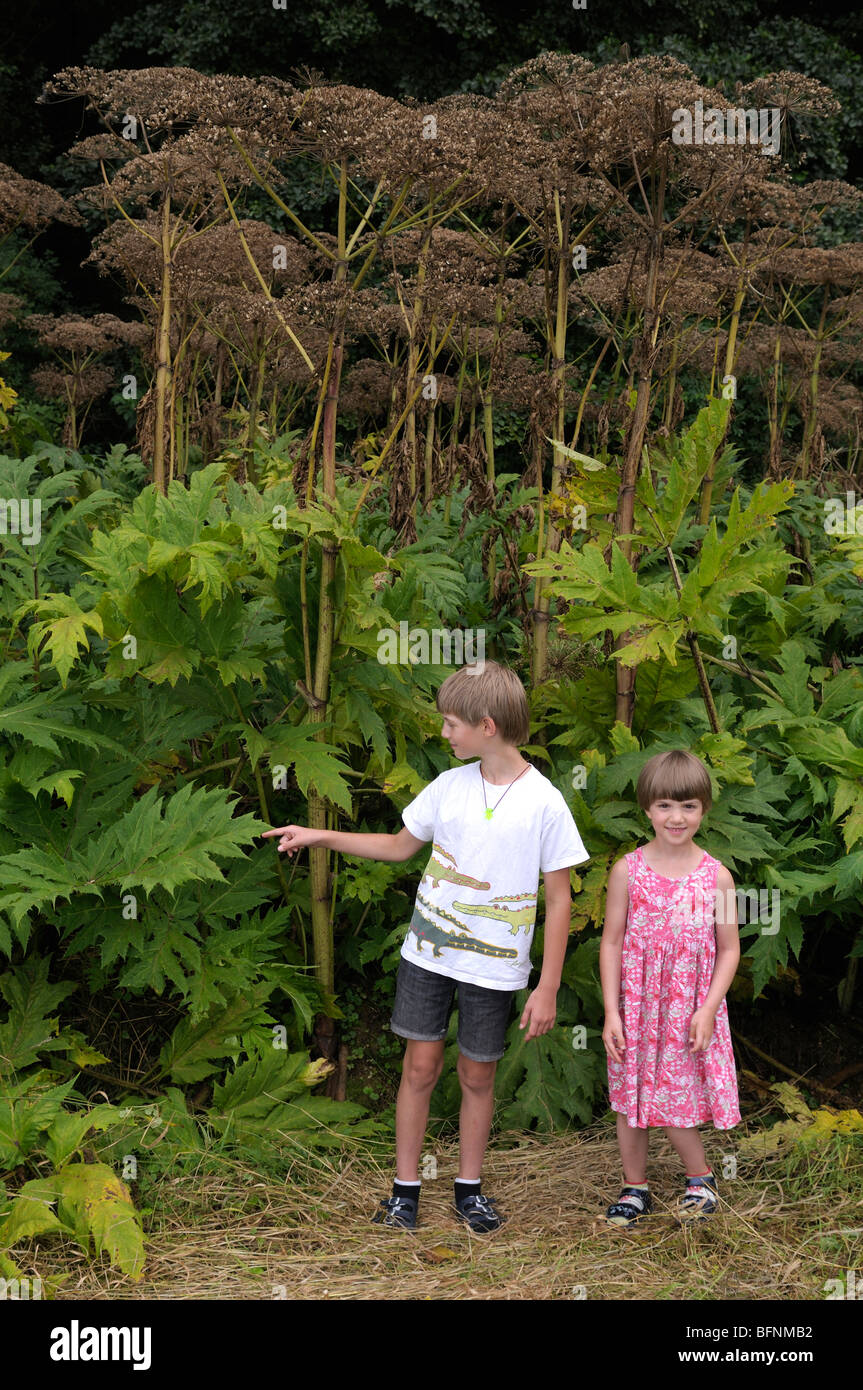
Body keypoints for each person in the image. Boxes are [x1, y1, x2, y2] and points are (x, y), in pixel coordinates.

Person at [262, 660, 590, 1232]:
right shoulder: (448, 787)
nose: (443, 734)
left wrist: (549, 985)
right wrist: (319, 835)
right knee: (419, 1066)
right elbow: (397, 846)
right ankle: (404, 1192)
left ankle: (469, 1190)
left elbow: (559, 899)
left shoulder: (546, 803)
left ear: (486, 726)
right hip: (427, 957)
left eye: (450, 724)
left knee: (478, 1076)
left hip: (497, 972)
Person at [599, 748, 741, 1226]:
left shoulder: (716, 877)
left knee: (679, 1101)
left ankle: (699, 1177)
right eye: (664, 805)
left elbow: (729, 950)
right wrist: (612, 1012)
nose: (675, 817)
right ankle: (634, 1187)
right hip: (636, 1008)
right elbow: (612, 942)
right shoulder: (628, 871)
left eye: (688, 806)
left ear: (703, 809)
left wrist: (707, 1009)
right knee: (630, 1097)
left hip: (687, 1010)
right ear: (646, 808)